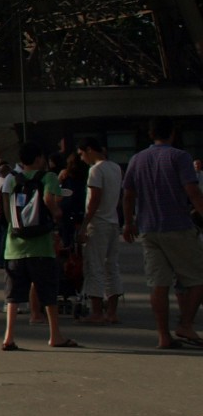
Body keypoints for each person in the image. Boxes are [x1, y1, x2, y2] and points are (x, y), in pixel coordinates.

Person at [120, 116, 203, 350]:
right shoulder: (180, 157)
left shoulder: (137, 159)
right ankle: (186, 323)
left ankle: (163, 335)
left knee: (158, 283)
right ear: (173, 134)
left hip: (148, 227)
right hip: (177, 225)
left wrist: (128, 223)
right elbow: (192, 191)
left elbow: (128, 194)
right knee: (198, 277)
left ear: (150, 134)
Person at [0, 139, 73, 350]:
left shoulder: (10, 180)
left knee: (13, 295)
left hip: (15, 247)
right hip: (41, 246)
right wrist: (56, 214)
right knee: (49, 293)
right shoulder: (48, 177)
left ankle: (9, 336)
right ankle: (55, 335)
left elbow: (6, 210)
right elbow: (50, 199)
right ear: (39, 158)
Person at [78, 137, 123, 324]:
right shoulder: (115, 167)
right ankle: (112, 312)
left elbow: (94, 199)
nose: (81, 159)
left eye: (82, 154)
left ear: (89, 150)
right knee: (112, 266)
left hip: (98, 223)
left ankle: (96, 312)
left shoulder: (95, 170)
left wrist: (84, 225)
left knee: (94, 266)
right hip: (113, 220)